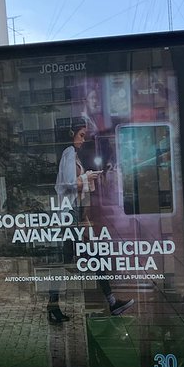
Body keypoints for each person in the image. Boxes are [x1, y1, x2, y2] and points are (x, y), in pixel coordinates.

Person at [48, 122, 133, 324]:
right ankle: (109, 302)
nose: (83, 139)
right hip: (70, 217)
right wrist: (87, 176)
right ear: (72, 135)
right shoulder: (69, 152)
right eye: (81, 135)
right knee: (82, 259)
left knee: (87, 258)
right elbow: (69, 184)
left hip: (75, 216)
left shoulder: (72, 154)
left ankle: (110, 302)